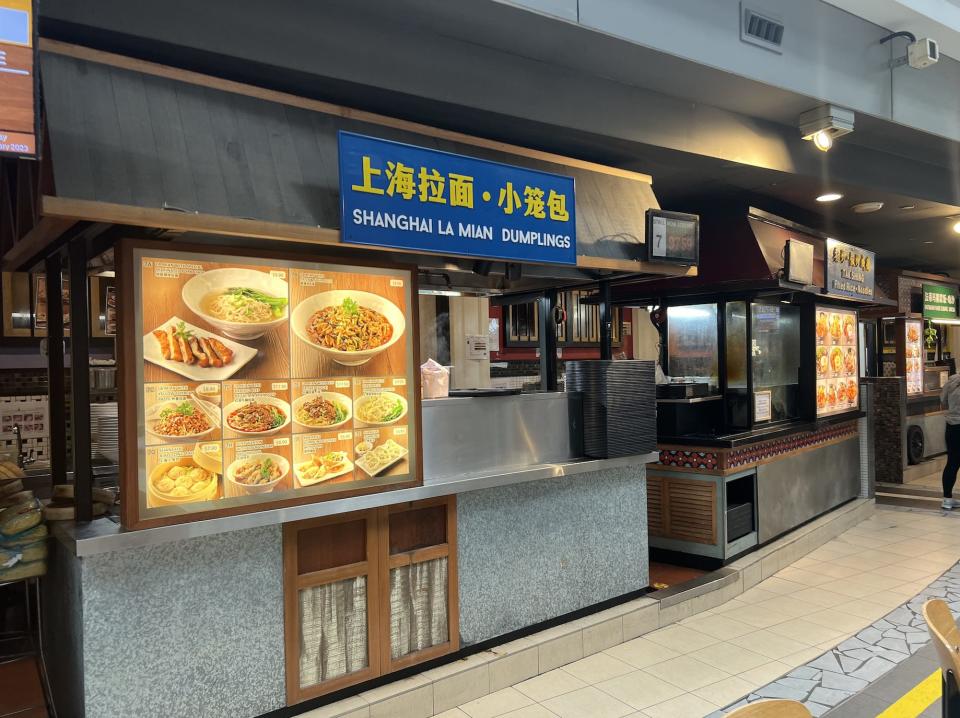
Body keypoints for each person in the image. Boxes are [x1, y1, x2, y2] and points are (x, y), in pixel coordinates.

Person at [941, 372, 960, 509]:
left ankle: (947, 499)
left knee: (952, 463)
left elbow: (943, 401)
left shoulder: (952, 380)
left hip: (952, 427)